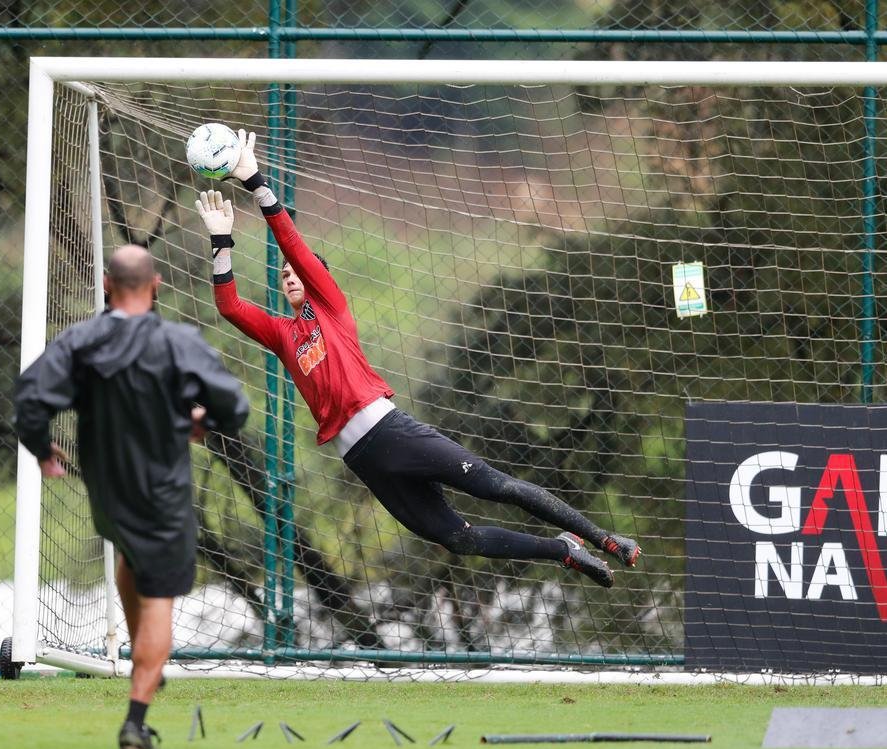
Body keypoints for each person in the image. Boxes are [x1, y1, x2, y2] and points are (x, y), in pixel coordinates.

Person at [194, 131, 639, 589]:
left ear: (317, 276)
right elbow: (230, 307)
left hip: (391, 430)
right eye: (282, 275)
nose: (288, 276)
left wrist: (254, 180)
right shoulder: (286, 335)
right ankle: (564, 550)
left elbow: (291, 242)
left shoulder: (330, 306)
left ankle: (604, 539)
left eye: (295, 271)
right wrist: (221, 241)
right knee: (458, 539)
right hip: (363, 456)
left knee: (497, 488)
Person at [13, 244, 249, 749]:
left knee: (128, 555)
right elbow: (235, 403)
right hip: (160, 489)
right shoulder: (177, 342)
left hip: (107, 488)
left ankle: (146, 659)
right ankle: (136, 721)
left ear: (105, 285)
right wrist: (203, 424)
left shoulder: (79, 341)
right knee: (159, 593)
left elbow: (30, 398)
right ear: (156, 285)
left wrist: (42, 451)